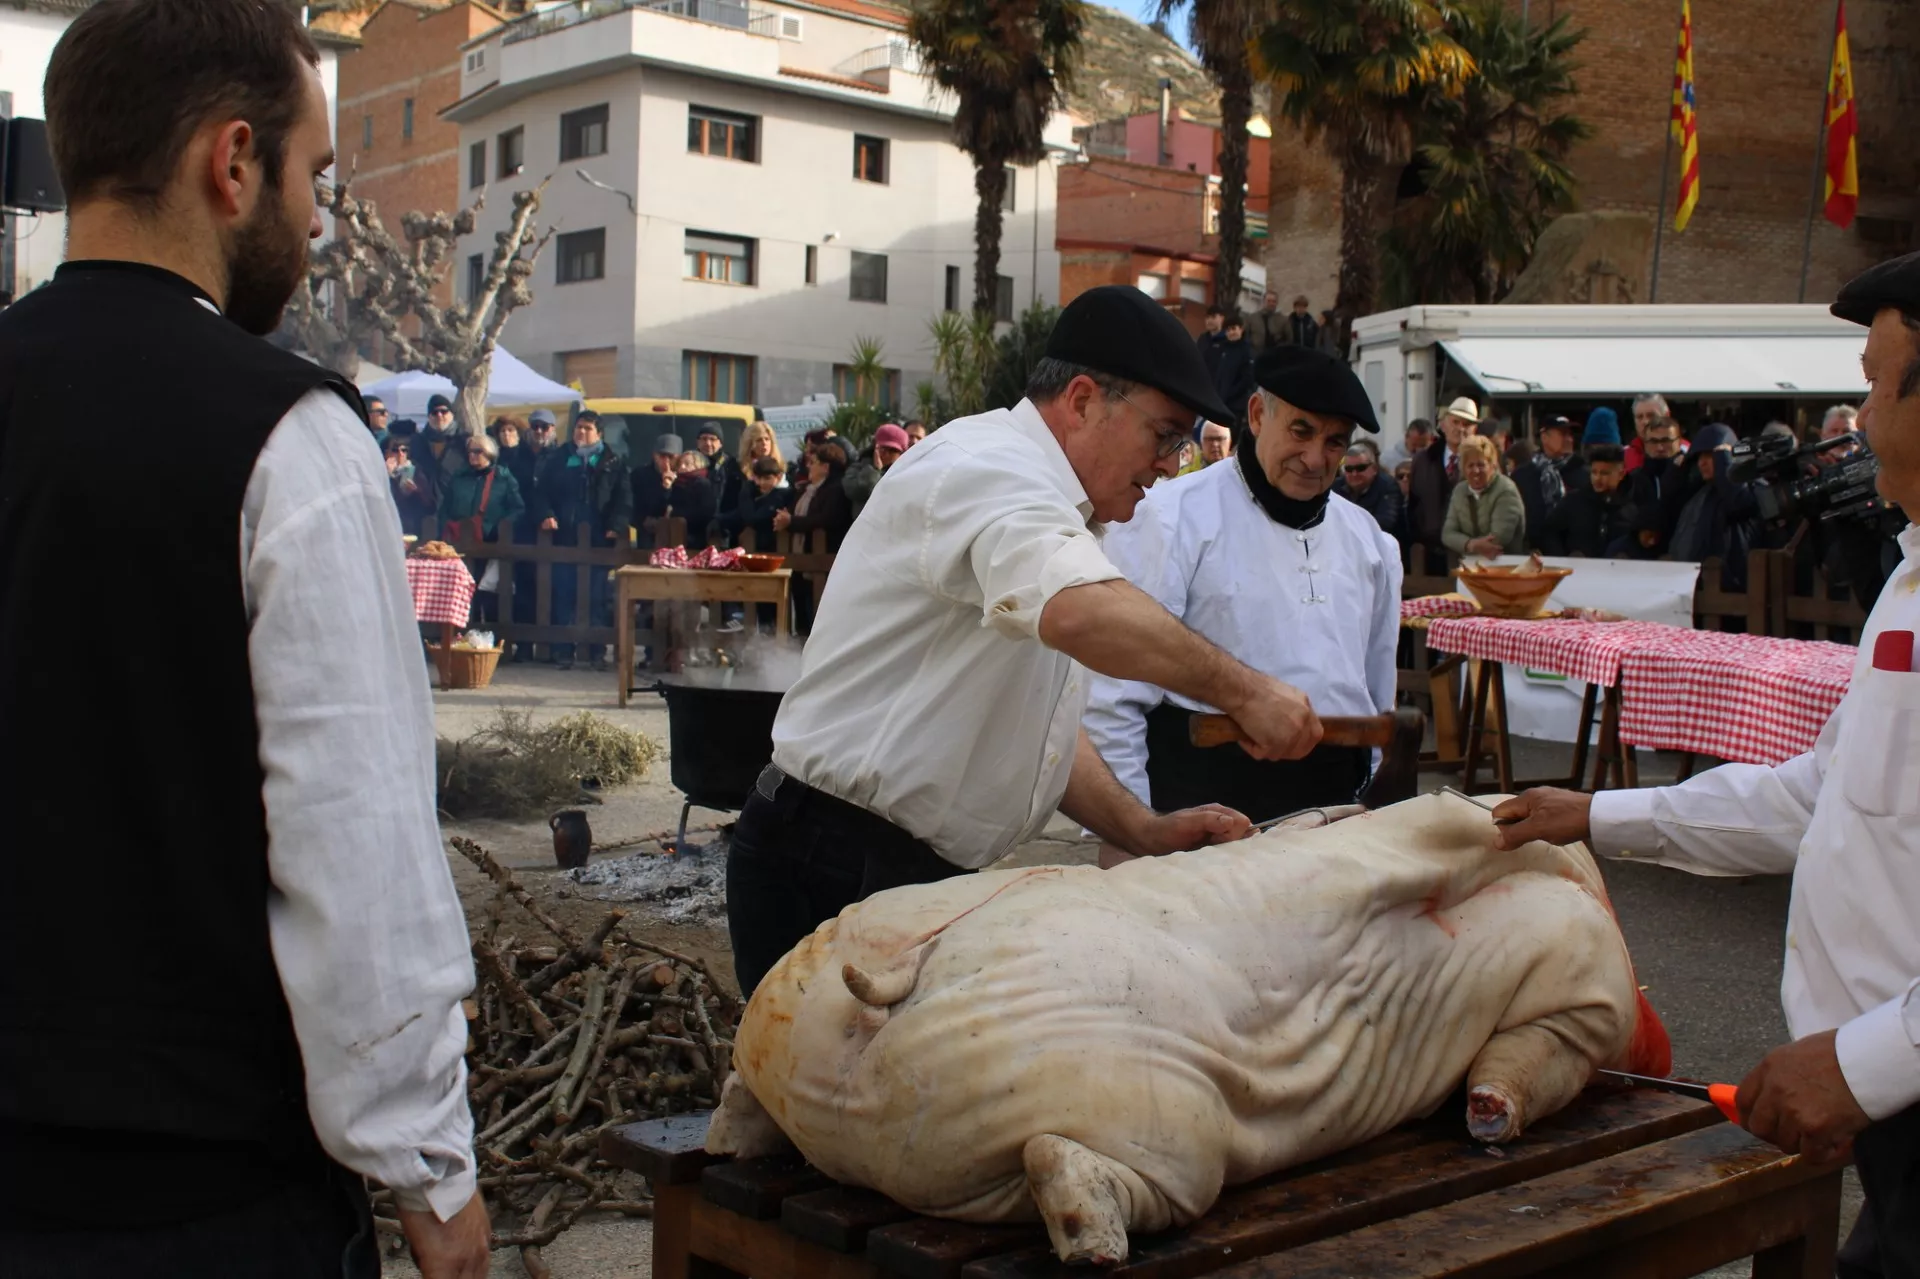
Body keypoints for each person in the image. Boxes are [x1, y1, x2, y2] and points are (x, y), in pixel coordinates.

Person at [0, 1, 489, 1273]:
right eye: (314, 174)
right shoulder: (293, 438)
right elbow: (356, 846)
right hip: (199, 1193)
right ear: (233, 163)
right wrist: (432, 1174)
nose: (320, 220)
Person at [1490, 246, 1920, 1279]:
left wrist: (1865, 1063)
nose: (1859, 421)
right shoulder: (1908, 581)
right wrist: (1592, 815)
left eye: (1872, 384)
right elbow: (1814, 798)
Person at [724, 285, 1323, 993]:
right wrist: (1245, 691)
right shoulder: (984, 469)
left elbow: (1039, 731)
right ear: (1080, 401)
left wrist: (1141, 828)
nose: (1170, 464)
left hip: (895, 868)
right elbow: (1082, 613)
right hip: (830, 861)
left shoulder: (1052, 507)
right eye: (1163, 435)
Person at [1084, 345, 1401, 837]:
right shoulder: (1170, 518)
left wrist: (1370, 792)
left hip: (1336, 810)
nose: (1316, 458)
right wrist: (1126, 829)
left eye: (1335, 442)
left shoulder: (1371, 542)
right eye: (1301, 431)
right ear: (1257, 414)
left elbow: (1378, 690)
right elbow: (1112, 692)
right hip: (1205, 806)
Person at [534, 412, 631, 670]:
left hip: (599, 540)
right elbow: (541, 492)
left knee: (596, 597)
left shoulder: (613, 462)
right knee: (564, 594)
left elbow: (624, 499)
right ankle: (563, 651)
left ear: (599, 433)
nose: (581, 433)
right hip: (565, 538)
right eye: (578, 428)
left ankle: (596, 652)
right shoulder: (561, 458)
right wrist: (546, 515)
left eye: (587, 429)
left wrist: (616, 525)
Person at [440, 433, 526, 621]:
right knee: (462, 596)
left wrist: (499, 527)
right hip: (460, 544)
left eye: (478, 451)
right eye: (470, 451)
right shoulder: (459, 478)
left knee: (488, 595)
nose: (473, 455)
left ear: (489, 453)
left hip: (490, 544)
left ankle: (489, 641)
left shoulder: (503, 478)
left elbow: (518, 508)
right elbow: (445, 508)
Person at [1407, 396, 1479, 562]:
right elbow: (1414, 505)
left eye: (1467, 424)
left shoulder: (1484, 465)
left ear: (1474, 429)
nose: (1460, 429)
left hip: (1468, 553)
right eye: (1455, 422)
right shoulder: (1422, 460)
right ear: (1443, 424)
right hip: (1427, 554)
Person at [1539, 443, 1632, 557]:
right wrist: (1563, 558)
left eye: (1604, 473)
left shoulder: (1632, 506)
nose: (1597, 478)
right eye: (1594, 472)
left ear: (1621, 474)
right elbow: (1549, 532)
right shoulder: (1573, 501)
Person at [1442, 433, 1526, 559]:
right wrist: (1471, 544)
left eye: (1481, 465)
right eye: (1470, 465)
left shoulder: (1506, 490)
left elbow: (1499, 537)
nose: (1476, 471)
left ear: (1492, 466)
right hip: (1471, 566)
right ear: (1463, 469)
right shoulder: (1460, 491)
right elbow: (1447, 534)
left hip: (1506, 565)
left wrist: (1464, 544)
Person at [1513, 414, 1587, 546]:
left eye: (1570, 435)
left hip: (1573, 552)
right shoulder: (1522, 475)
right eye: (1563, 434)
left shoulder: (1583, 473)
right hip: (1533, 550)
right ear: (1544, 437)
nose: (1569, 439)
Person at [1622, 416, 1686, 558]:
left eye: (1666, 441)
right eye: (1653, 441)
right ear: (1644, 444)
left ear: (1679, 441)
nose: (1660, 447)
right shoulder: (1635, 479)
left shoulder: (1691, 474)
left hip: (1683, 553)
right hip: (1642, 556)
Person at [1338, 439, 1404, 539]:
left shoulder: (1388, 486)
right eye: (1349, 469)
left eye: (1360, 468)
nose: (1354, 474)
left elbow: (1384, 524)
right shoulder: (1335, 487)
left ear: (1374, 469)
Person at [841, 422, 909, 518]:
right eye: (883, 448)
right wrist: (874, 470)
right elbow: (856, 490)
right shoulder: (858, 468)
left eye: (893, 451)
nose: (886, 454)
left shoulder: (906, 473)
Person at [632, 429, 681, 535]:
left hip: (677, 533)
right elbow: (634, 505)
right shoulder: (640, 475)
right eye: (662, 456)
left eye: (671, 457)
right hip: (645, 533)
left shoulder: (684, 477)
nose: (666, 461)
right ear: (655, 456)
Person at [385, 436, 436, 534]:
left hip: (410, 527)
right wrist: (388, 476)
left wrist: (417, 491)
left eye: (404, 450)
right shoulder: (381, 474)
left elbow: (430, 506)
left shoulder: (416, 472)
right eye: (395, 450)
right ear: (387, 453)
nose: (400, 454)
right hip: (388, 525)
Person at [669, 449, 717, 550]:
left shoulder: (702, 484)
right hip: (676, 528)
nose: (682, 467)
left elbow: (705, 512)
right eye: (680, 464)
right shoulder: (676, 484)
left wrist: (675, 513)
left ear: (697, 466)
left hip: (697, 532)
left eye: (687, 464)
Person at [1213, 314, 1257, 420]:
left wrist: (1231, 394)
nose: (1231, 332)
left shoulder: (1247, 350)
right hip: (1222, 402)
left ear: (1241, 329)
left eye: (1233, 328)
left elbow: (1247, 379)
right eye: (1228, 330)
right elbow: (1219, 374)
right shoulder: (1223, 349)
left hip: (1237, 404)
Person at [1624, 392, 1670, 472]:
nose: (1645, 422)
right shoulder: (1624, 455)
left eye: (1651, 415)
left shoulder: (1685, 452)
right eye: (1639, 417)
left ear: (1666, 416)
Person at [1196, 304, 1228, 379]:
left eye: (1213, 317)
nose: (1209, 320)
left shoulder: (1227, 340)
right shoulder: (1202, 338)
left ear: (1222, 318)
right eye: (1207, 317)